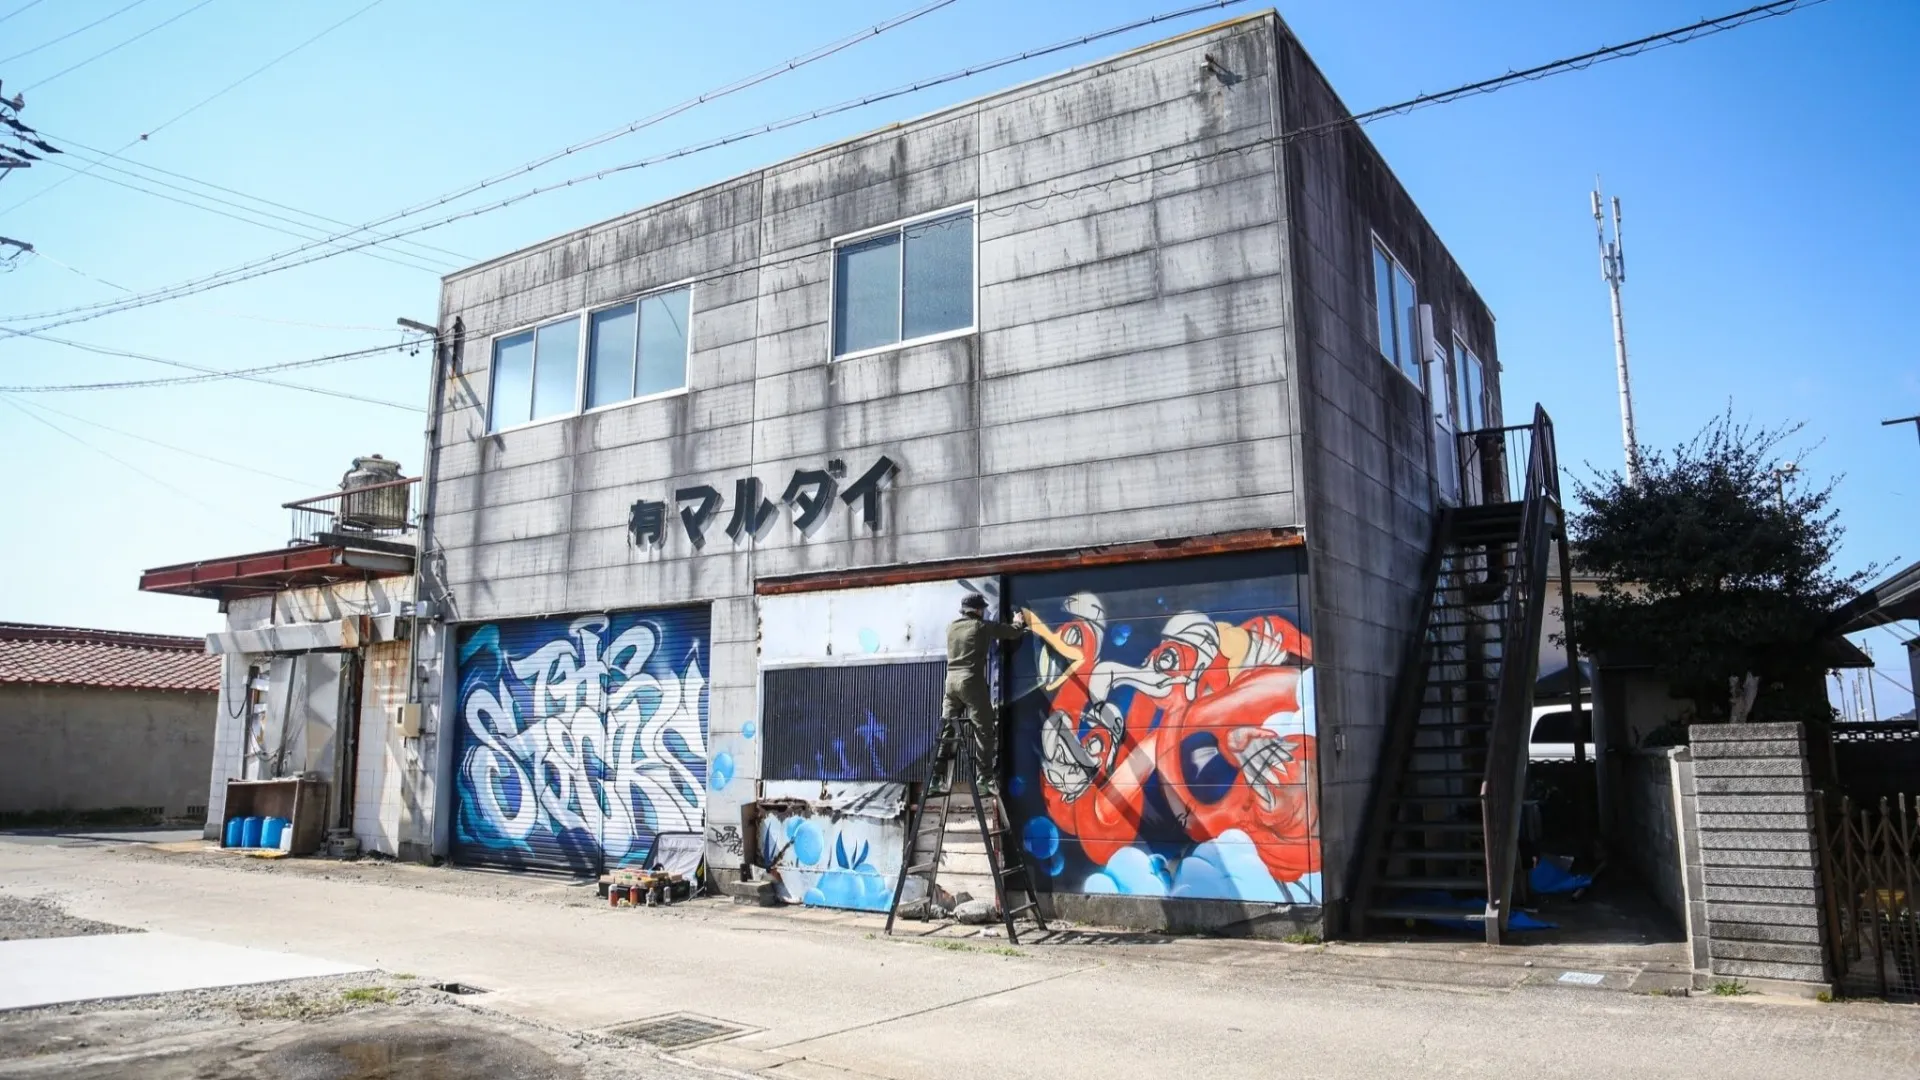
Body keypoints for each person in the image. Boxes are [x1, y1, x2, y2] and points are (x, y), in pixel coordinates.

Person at [944, 593, 1027, 796]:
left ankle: (936, 778)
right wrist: (1018, 622)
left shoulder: (951, 627)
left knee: (946, 730)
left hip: (950, 683)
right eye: (982, 609)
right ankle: (985, 777)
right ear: (977, 610)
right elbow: (1011, 632)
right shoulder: (980, 626)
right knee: (984, 729)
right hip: (971, 682)